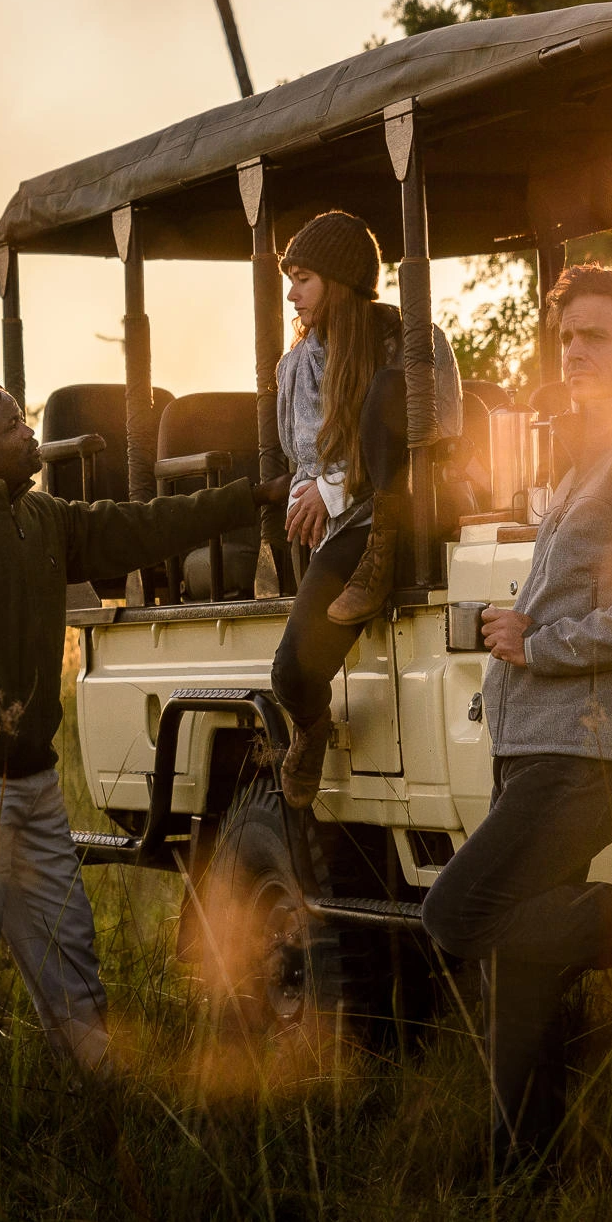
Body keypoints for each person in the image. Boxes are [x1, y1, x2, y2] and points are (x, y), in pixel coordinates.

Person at [0, 380, 290, 1088]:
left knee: (63, 933)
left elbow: (140, 525)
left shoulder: (40, 518)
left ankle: (96, 1084)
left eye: (23, 422)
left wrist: (247, 498)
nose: (29, 435)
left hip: (26, 772)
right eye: (11, 428)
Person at [418, 264, 612, 1175]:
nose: (574, 352)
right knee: (525, 958)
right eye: (566, 338)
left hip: (591, 743)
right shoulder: (598, 454)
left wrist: (534, 643)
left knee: (457, 915)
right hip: (541, 734)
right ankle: (524, 1162)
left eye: (594, 336)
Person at [269, 210, 462, 806]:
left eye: (303, 278)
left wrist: (329, 490)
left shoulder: (413, 341)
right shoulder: (298, 365)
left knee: (388, 390)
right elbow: (301, 451)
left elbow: (441, 428)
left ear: (340, 279)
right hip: (351, 528)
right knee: (292, 674)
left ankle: (380, 560)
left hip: (420, 514)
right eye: (290, 278)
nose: (292, 292)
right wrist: (318, 492)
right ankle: (312, 726)